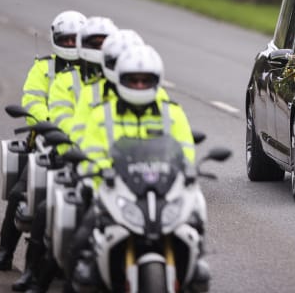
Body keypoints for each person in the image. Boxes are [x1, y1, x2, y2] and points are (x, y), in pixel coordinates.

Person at [69, 44, 210, 292]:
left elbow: (185, 152)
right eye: (133, 80)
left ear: (157, 80)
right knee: (80, 238)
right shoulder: (102, 113)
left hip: (162, 191)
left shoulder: (172, 112)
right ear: (120, 79)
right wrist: (103, 170)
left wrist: (187, 172)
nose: (139, 86)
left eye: (145, 80)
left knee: (194, 226)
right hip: (116, 190)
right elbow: (89, 151)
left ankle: (192, 269)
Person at [0, 10, 86, 292]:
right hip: (45, 143)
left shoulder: (92, 74)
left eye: (75, 40)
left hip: (80, 147)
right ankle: (6, 252)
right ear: (55, 39)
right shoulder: (44, 68)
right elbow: (32, 101)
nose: (70, 45)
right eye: (65, 40)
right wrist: (49, 126)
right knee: (22, 193)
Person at [21, 17, 119, 293]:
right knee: (41, 206)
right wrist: (68, 147)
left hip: (120, 176)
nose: (138, 84)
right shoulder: (68, 81)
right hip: (73, 159)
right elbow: (71, 124)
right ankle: (32, 274)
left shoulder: (142, 100)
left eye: (144, 79)